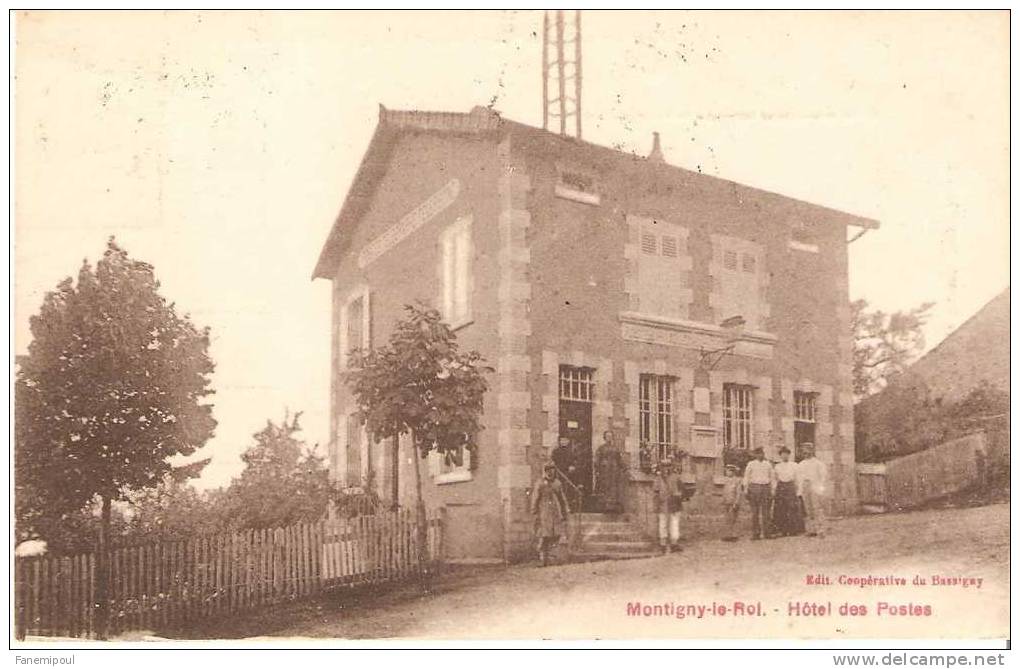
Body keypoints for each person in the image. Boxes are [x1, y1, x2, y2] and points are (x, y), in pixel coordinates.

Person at [530, 462, 570, 565]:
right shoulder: (540, 483)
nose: (550, 472)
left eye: (552, 470)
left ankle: (552, 557)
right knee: (544, 535)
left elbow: (562, 498)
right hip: (544, 512)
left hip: (555, 512)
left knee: (556, 534)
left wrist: (565, 510)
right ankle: (543, 558)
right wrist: (534, 511)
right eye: (548, 470)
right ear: (545, 471)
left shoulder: (557, 483)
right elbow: (535, 498)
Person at [742, 447, 776, 540]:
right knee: (755, 512)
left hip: (765, 488)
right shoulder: (751, 464)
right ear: (755, 455)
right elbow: (746, 477)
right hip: (754, 488)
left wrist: (773, 490)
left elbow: (772, 478)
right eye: (758, 453)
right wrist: (745, 489)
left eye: (761, 453)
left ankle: (767, 533)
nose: (760, 455)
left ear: (763, 454)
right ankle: (756, 533)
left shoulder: (768, 464)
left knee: (766, 512)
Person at [796, 442, 828, 538]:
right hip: (805, 486)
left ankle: (820, 530)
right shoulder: (801, 464)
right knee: (808, 509)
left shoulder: (818, 463)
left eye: (808, 450)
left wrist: (820, 488)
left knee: (817, 508)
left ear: (812, 451)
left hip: (815, 485)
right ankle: (811, 530)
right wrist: (800, 491)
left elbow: (823, 477)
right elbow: (799, 478)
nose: (806, 452)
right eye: (804, 451)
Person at [652, 457, 683, 554]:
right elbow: (655, 493)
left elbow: (682, 490)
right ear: (661, 467)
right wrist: (656, 505)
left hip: (674, 503)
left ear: (671, 467)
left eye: (668, 466)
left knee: (674, 523)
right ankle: (663, 545)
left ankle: (674, 544)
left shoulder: (676, 477)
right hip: (663, 504)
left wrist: (679, 494)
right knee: (663, 524)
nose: (666, 469)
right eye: (664, 466)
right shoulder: (658, 478)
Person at [771, 446, 803, 537]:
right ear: (780, 455)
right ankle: (783, 530)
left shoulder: (794, 465)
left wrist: (799, 490)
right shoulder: (777, 466)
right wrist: (774, 490)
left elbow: (798, 478)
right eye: (783, 454)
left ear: (789, 455)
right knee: (781, 509)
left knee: (792, 508)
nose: (785, 456)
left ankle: (793, 530)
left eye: (786, 454)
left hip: (790, 487)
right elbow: (774, 479)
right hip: (781, 487)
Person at [593, 430, 626, 513]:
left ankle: (613, 507)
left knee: (614, 488)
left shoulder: (615, 448)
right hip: (604, 471)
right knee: (605, 487)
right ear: (604, 437)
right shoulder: (601, 448)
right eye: (607, 436)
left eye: (610, 436)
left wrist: (624, 467)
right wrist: (597, 470)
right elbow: (597, 460)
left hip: (614, 471)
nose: (609, 438)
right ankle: (605, 507)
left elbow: (619, 459)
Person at [721, 464, 743, 541]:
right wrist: (723, 500)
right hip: (727, 502)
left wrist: (736, 503)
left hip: (733, 502)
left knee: (733, 519)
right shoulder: (726, 480)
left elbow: (738, 493)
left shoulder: (737, 481)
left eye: (728, 471)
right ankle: (728, 534)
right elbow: (724, 491)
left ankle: (734, 535)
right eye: (726, 471)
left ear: (733, 472)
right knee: (727, 519)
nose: (727, 472)